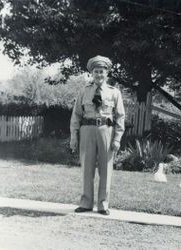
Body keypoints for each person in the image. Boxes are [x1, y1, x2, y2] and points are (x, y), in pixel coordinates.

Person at [70, 55, 125, 215]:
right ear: (91, 74)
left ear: (107, 74)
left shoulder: (114, 93)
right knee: (87, 168)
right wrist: (74, 136)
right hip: (87, 130)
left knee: (105, 169)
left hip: (105, 130)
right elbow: (76, 115)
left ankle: (103, 204)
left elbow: (120, 116)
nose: (99, 75)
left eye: (102, 71)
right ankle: (86, 203)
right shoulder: (84, 91)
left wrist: (117, 138)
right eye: (96, 71)